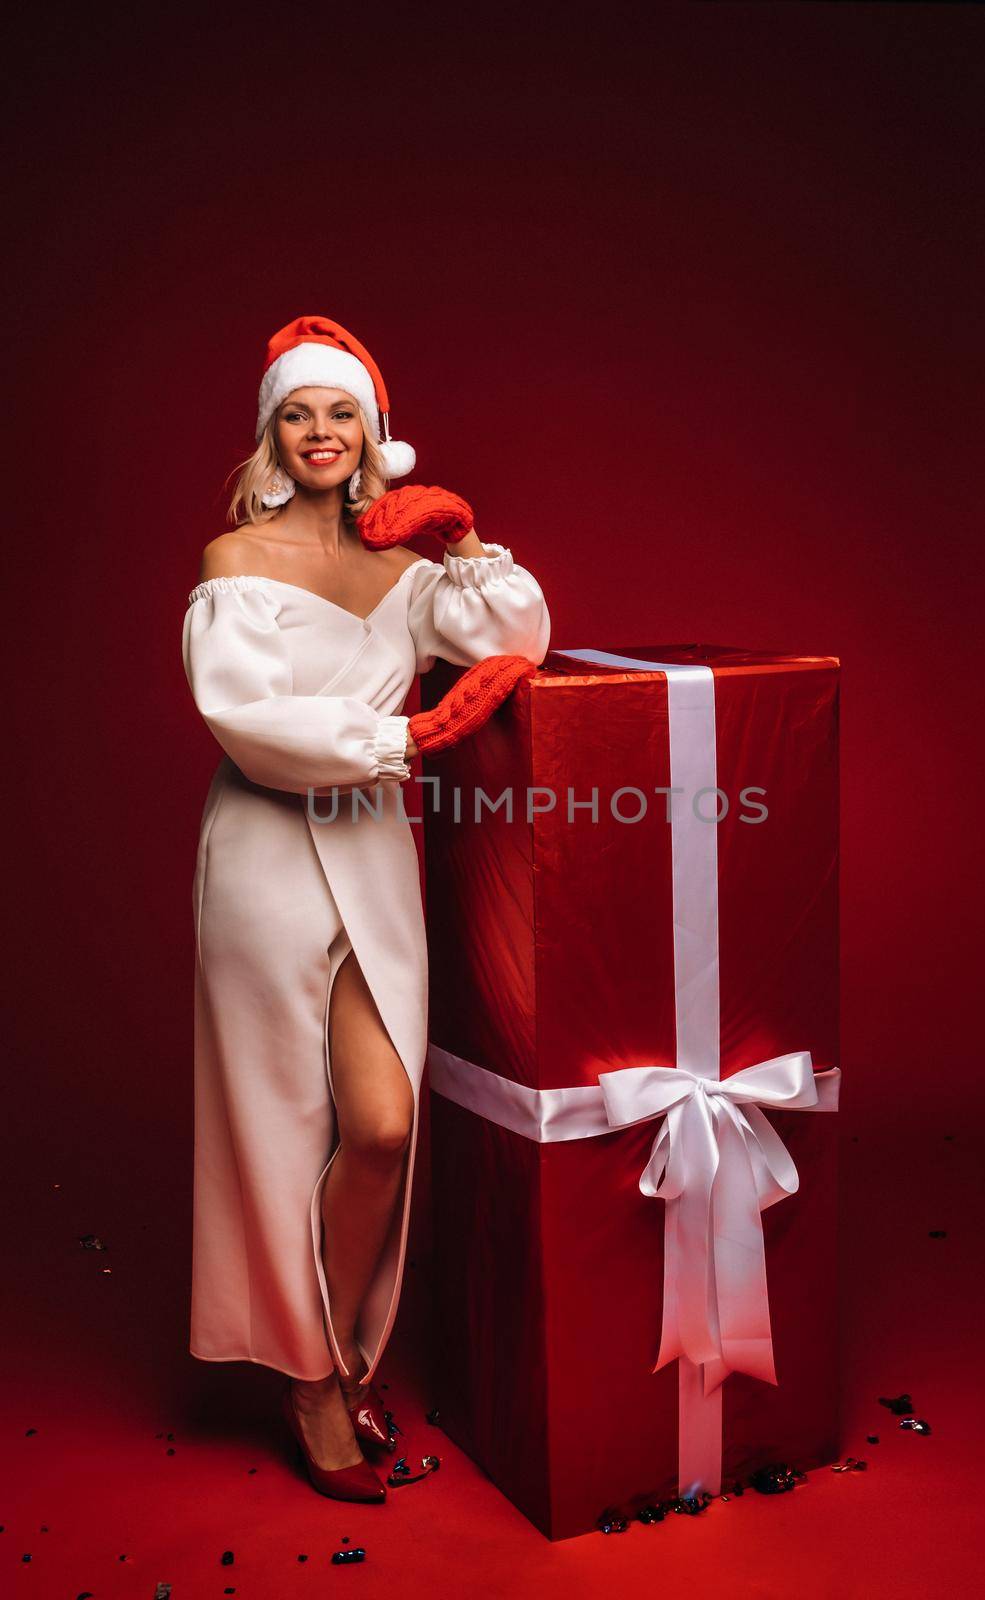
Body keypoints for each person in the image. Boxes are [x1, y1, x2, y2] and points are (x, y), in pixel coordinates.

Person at [182, 315, 552, 1501]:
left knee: (382, 1125)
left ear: (375, 435)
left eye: (342, 412)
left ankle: (338, 1351)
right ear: (270, 436)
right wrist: (403, 734)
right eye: (299, 413)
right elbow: (243, 719)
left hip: (373, 851)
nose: (321, 432)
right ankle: (307, 1380)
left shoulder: (410, 571)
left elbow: (516, 637)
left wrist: (469, 537)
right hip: (263, 851)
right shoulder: (233, 564)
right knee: (281, 1120)